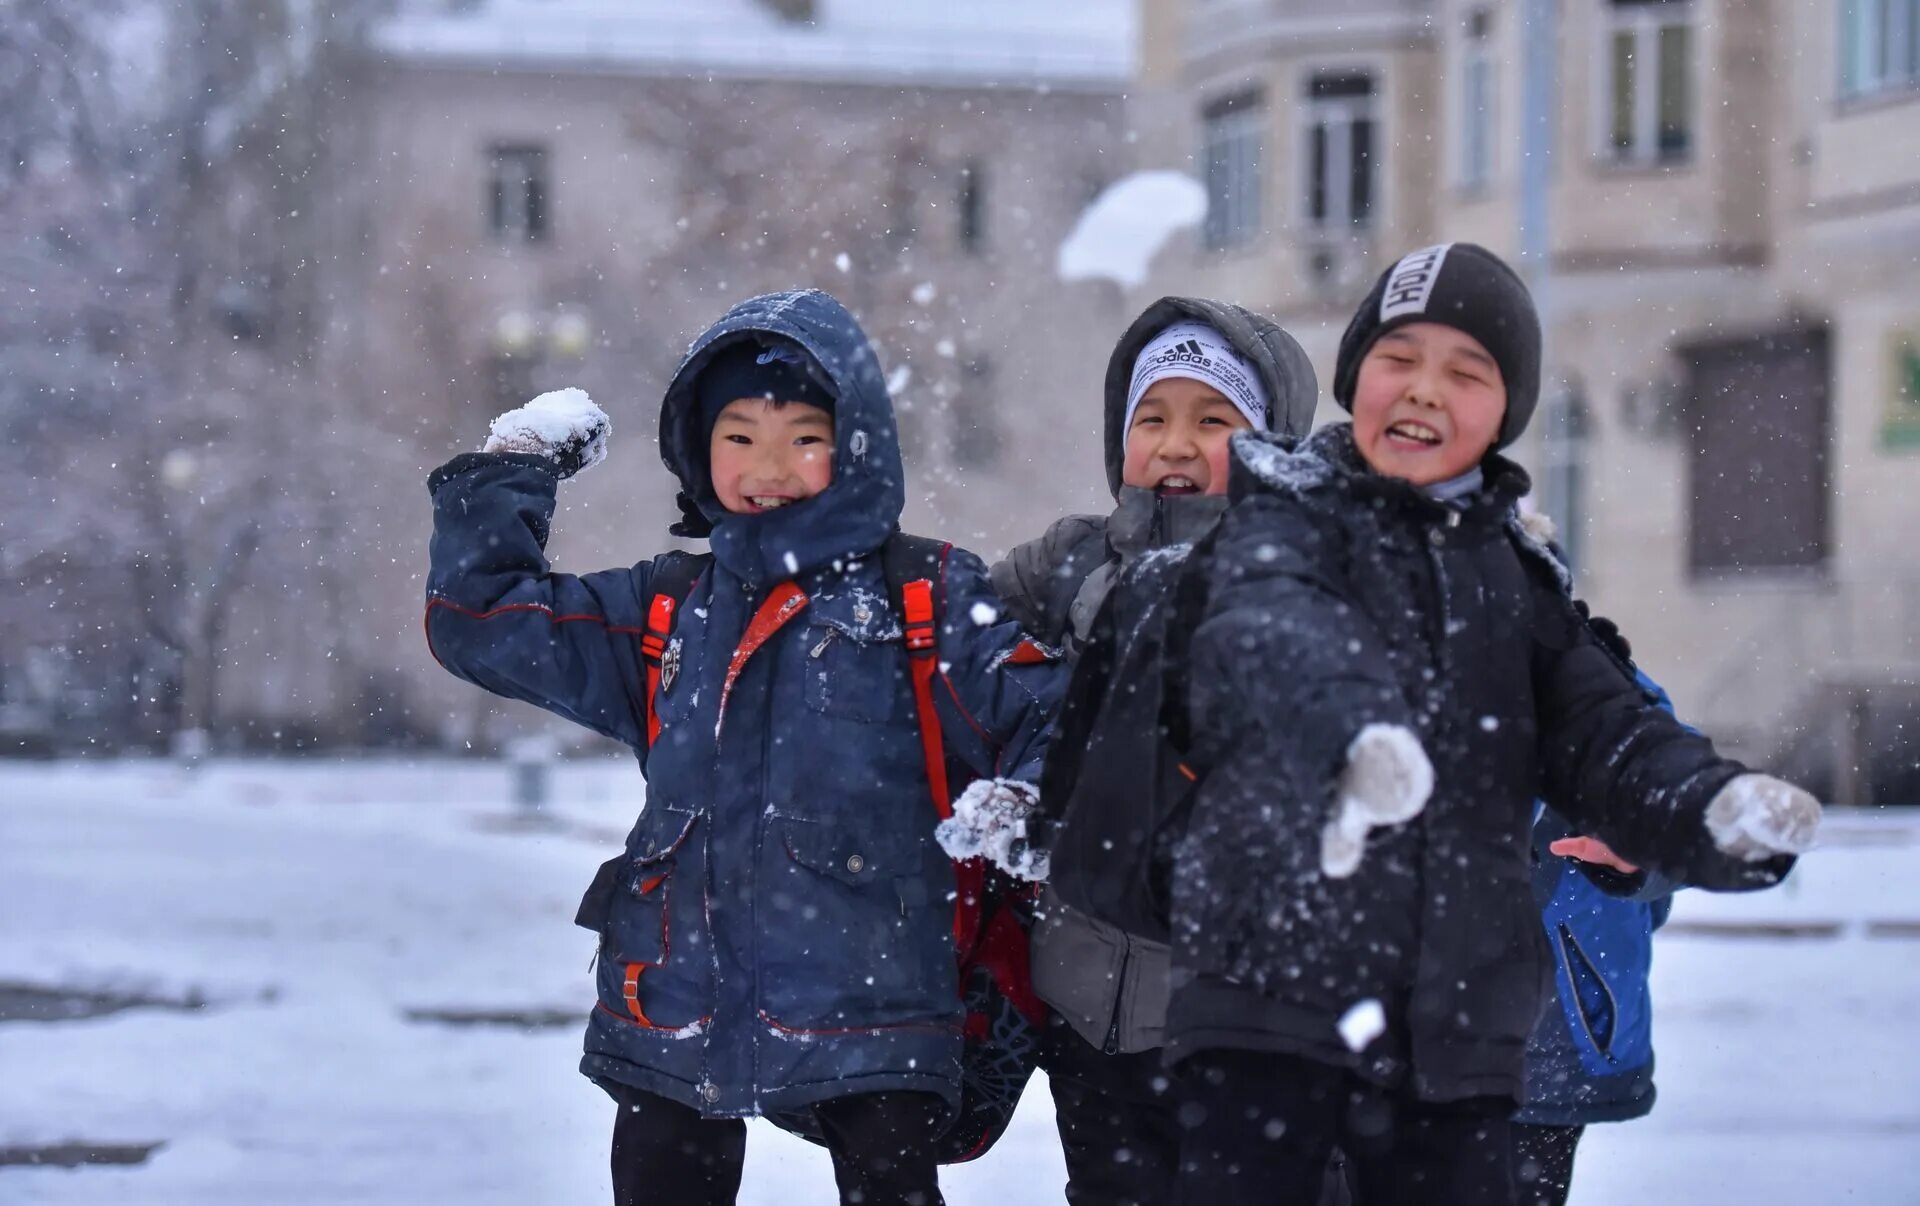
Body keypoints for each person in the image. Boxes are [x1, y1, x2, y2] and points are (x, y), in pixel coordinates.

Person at [1158, 242, 1820, 1205]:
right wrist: (1353, 737)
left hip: (1455, 1035)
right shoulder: (1276, 527)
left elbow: (1607, 725)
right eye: (1398, 359)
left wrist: (1704, 807)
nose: (1425, 390)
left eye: (1465, 372)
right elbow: (1267, 637)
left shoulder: (1514, 579)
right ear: (1354, 380)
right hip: (1271, 1015)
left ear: (1504, 413)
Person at [424, 289, 1063, 1206]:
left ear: (856, 447)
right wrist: (507, 476)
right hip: (676, 994)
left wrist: (1029, 804)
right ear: (699, 447)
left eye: (803, 435)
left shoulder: (925, 598)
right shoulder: (667, 609)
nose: (770, 466)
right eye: (739, 437)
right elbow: (483, 623)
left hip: (873, 1002)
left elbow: (1050, 709)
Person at [981, 299, 1319, 1205]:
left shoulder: (1310, 575)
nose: (1175, 443)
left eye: (1214, 419)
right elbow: (949, 639)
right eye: (1152, 418)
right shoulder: (1071, 564)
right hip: (1089, 1005)